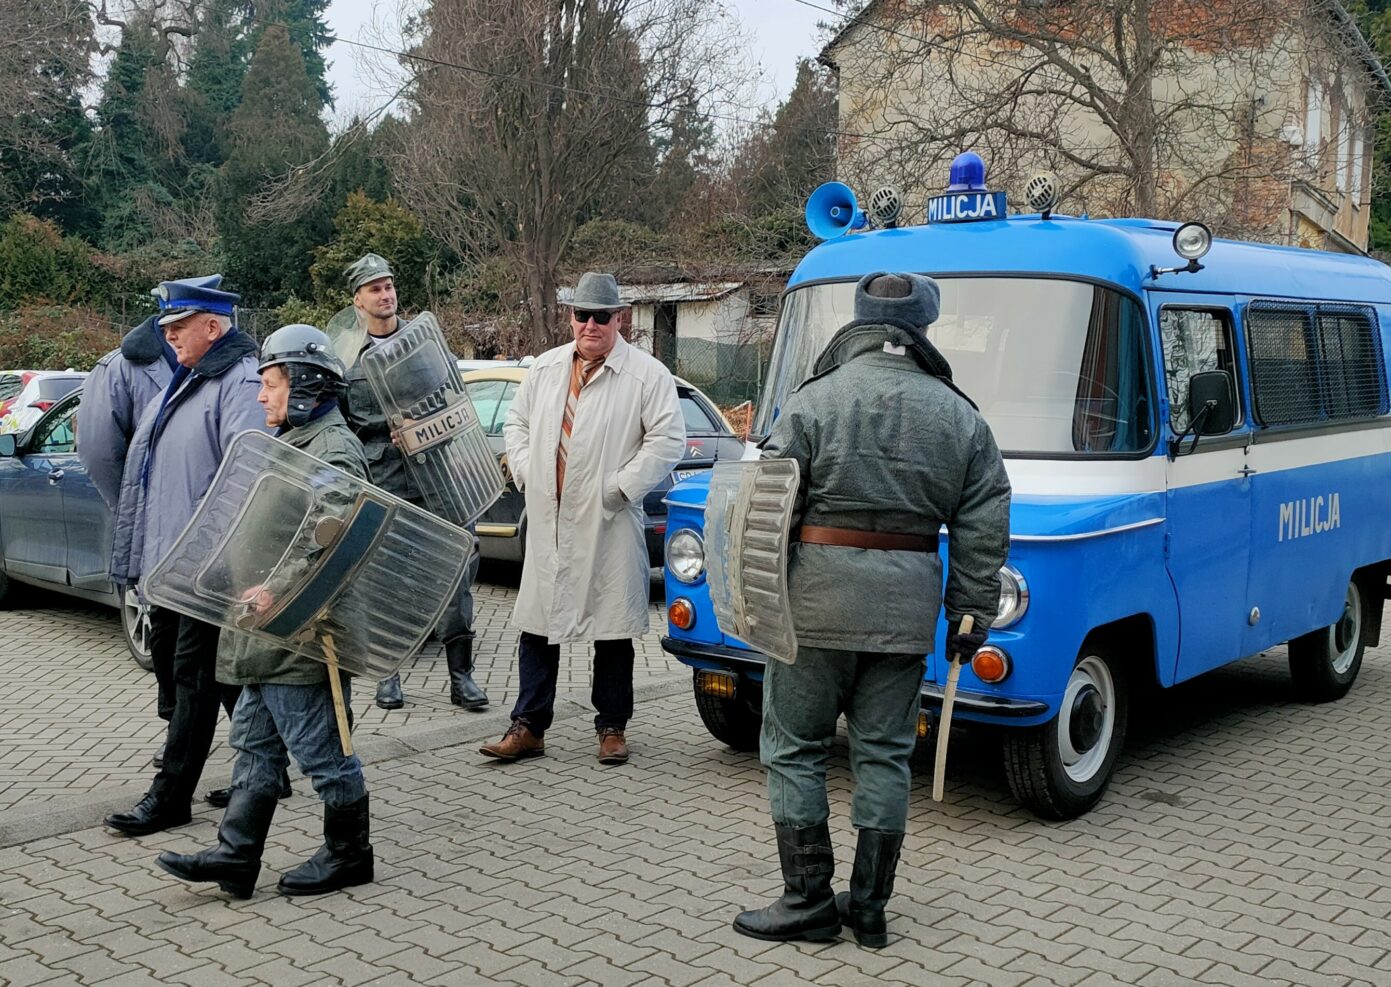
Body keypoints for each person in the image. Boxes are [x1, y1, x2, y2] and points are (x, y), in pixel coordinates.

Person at [731, 272, 1011, 948]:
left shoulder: (811, 403)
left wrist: (752, 600)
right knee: (884, 755)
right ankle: (870, 907)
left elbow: (762, 512)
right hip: (905, 612)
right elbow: (984, 519)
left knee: (794, 748)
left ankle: (807, 900)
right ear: (925, 326)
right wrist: (969, 614)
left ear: (857, 318)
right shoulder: (962, 417)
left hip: (813, 609)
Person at [156, 324, 375, 898]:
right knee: (254, 747)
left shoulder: (333, 448)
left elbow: (331, 531)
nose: (261, 395)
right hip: (264, 638)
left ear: (303, 384)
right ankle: (236, 856)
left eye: (271, 384)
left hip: (302, 635)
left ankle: (351, 854)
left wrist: (273, 589)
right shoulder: (299, 441)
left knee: (324, 754)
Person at [477, 272, 685, 765]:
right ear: (570, 317)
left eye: (602, 316)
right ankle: (529, 725)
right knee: (536, 623)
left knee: (611, 627)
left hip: (607, 521)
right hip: (549, 518)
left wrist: (620, 489)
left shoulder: (646, 375)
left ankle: (612, 727)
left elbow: (667, 440)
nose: (590, 325)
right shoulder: (546, 369)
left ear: (620, 320)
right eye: (582, 315)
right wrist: (527, 470)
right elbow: (517, 423)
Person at [104, 276, 270, 837]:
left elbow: (245, 481)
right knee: (214, 678)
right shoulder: (193, 378)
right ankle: (269, 769)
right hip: (176, 566)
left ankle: (171, 797)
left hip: (206, 566)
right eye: (167, 326)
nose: (168, 336)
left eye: (178, 326)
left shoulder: (238, 381)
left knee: (193, 678)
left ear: (212, 326)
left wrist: (210, 562)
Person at [339, 252, 489, 713]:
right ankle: (387, 673)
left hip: (441, 478)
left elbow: (456, 400)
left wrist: (427, 426)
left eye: (389, 286)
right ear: (357, 300)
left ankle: (461, 677)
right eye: (375, 289)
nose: (385, 295)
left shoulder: (423, 345)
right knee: (386, 575)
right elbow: (344, 427)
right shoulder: (345, 360)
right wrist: (386, 434)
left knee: (454, 572)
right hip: (385, 476)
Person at [78, 285, 187, 769]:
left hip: (179, 531)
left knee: (180, 641)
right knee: (178, 638)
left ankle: (196, 747)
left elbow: (98, 450)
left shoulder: (213, 364)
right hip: (173, 529)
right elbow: (99, 451)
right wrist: (135, 506)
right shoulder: (121, 367)